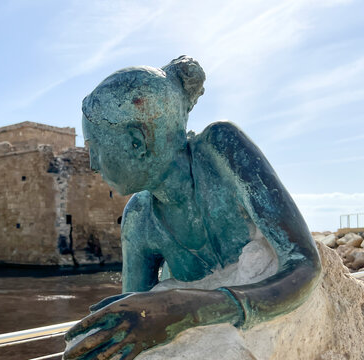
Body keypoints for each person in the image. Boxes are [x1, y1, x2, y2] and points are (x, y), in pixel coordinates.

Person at [63, 56, 321, 360]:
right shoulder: (139, 218)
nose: (92, 165)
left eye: (95, 149)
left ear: (136, 142)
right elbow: (136, 311)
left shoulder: (220, 148)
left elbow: (304, 265)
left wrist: (185, 308)